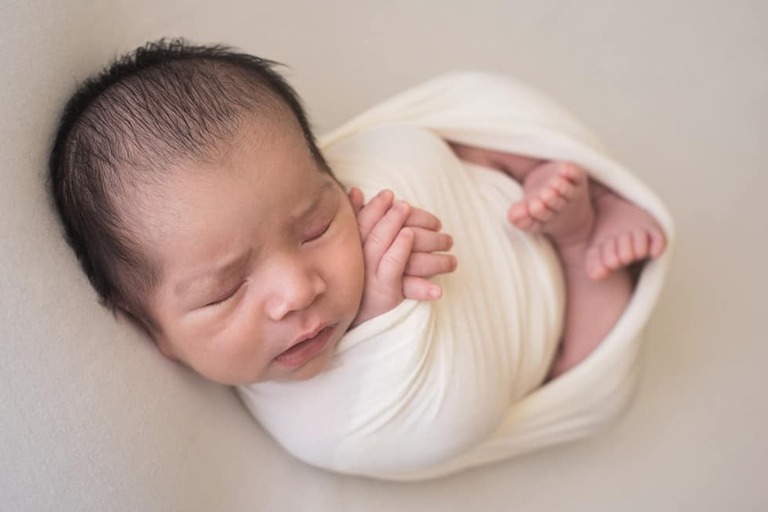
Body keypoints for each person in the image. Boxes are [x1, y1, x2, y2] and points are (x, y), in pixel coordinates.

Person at [49, 39, 666, 476]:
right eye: (226, 290)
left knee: (430, 136)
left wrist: (436, 175)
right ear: (148, 326)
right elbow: (456, 420)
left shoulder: (369, 188)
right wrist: (382, 318)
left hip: (494, 197)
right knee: (586, 369)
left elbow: (413, 150)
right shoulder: (319, 430)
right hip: (551, 328)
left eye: (315, 227)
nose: (298, 289)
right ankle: (580, 241)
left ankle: (544, 175)